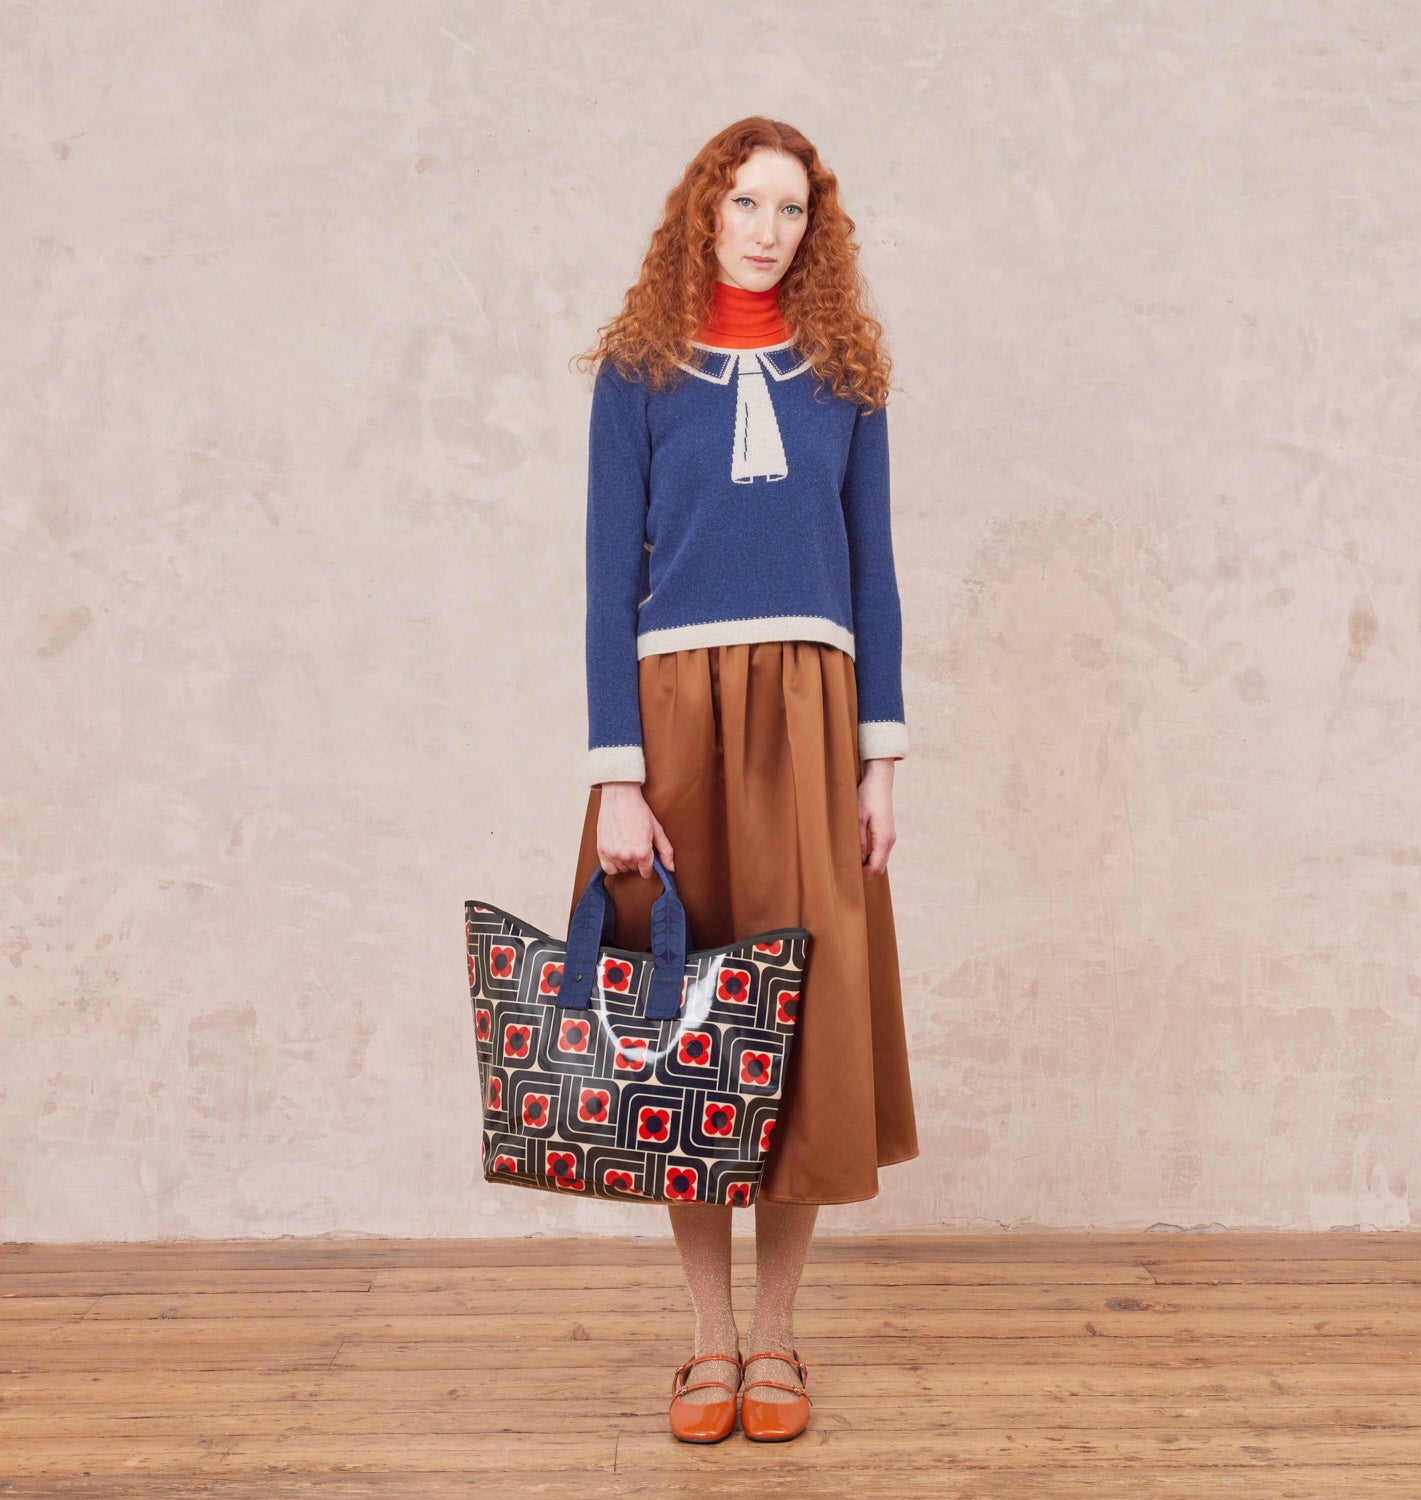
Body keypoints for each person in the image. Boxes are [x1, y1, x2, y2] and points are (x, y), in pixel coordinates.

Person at [568, 116, 920, 1444]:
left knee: (802, 1029)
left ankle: (780, 1341)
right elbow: (608, 585)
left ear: (811, 231)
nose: (766, 230)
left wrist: (882, 754)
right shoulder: (637, 375)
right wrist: (616, 776)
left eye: (791, 210)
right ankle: (705, 1345)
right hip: (675, 728)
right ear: (702, 214)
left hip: (816, 720)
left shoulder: (846, 376)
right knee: (688, 1036)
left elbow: (871, 570)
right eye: (745, 203)